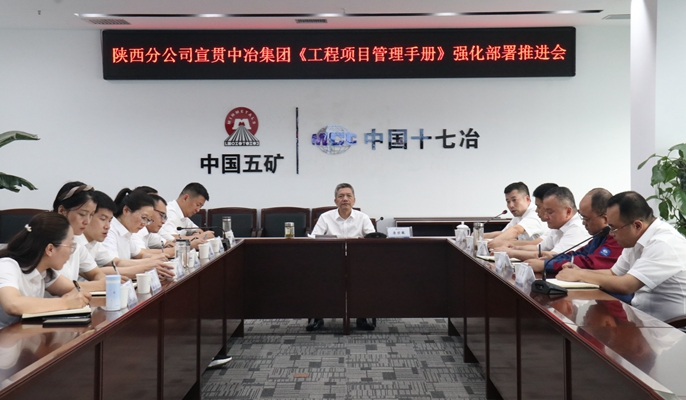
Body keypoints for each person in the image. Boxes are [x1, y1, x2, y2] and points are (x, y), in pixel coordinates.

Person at [557, 191, 686, 322]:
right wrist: (579, 271)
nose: (611, 234)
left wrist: (581, 275)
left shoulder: (664, 243)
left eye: (614, 228)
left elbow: (626, 285)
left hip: (674, 327)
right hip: (644, 319)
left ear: (637, 225)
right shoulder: (636, 238)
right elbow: (613, 273)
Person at [0, 213, 91, 329]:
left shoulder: (44, 272)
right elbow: (13, 304)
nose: (71, 252)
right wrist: (65, 303)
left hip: (21, 334)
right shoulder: (7, 265)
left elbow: (74, 288)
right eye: (70, 246)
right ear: (50, 249)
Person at [309, 183, 376, 332]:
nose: (345, 199)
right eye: (341, 196)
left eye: (348, 196)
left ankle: (363, 317)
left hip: (357, 262)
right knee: (314, 274)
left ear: (354, 200)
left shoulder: (363, 218)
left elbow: (372, 240)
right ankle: (317, 317)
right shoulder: (325, 218)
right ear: (335, 201)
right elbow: (314, 240)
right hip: (330, 262)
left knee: (369, 275)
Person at [83, 191, 169, 279]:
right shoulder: (109, 232)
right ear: (126, 210)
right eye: (143, 218)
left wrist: (152, 261)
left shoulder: (97, 243)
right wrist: (146, 267)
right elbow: (101, 270)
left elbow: (118, 262)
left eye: (109, 221)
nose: (108, 226)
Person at [503, 186, 588, 272]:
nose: (546, 216)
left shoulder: (577, 229)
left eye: (550, 212)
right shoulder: (557, 227)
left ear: (568, 211)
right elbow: (538, 248)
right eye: (545, 211)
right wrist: (514, 248)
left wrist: (511, 253)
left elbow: (554, 257)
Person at [546, 188, 622, 272]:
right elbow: (578, 255)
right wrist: (552, 258)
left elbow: (591, 264)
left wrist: (546, 265)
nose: (583, 223)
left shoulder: (617, 239)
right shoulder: (599, 236)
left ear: (605, 219)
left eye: (586, 219)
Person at [51, 182, 107, 293]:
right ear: (62, 211)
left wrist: (102, 282)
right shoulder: (45, 240)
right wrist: (101, 284)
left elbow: (96, 273)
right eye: (82, 214)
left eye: (91, 215)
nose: (87, 221)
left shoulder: (76, 241)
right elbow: (61, 287)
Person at [485, 182, 548, 249]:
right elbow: (504, 233)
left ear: (527, 199)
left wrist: (494, 242)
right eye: (508, 201)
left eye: (514, 200)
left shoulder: (535, 214)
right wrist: (480, 236)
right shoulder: (519, 214)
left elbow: (516, 230)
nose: (511, 205)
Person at [159, 183, 214, 247]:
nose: (198, 210)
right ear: (185, 198)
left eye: (200, 207)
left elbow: (198, 230)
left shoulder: (183, 214)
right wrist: (199, 237)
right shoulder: (169, 212)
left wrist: (197, 234)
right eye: (197, 205)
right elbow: (171, 239)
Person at [133, 194, 175, 258]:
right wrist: (169, 251)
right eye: (161, 215)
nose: (163, 221)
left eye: (165, 217)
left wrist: (171, 248)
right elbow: (140, 253)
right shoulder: (137, 229)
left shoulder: (148, 232)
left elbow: (167, 243)